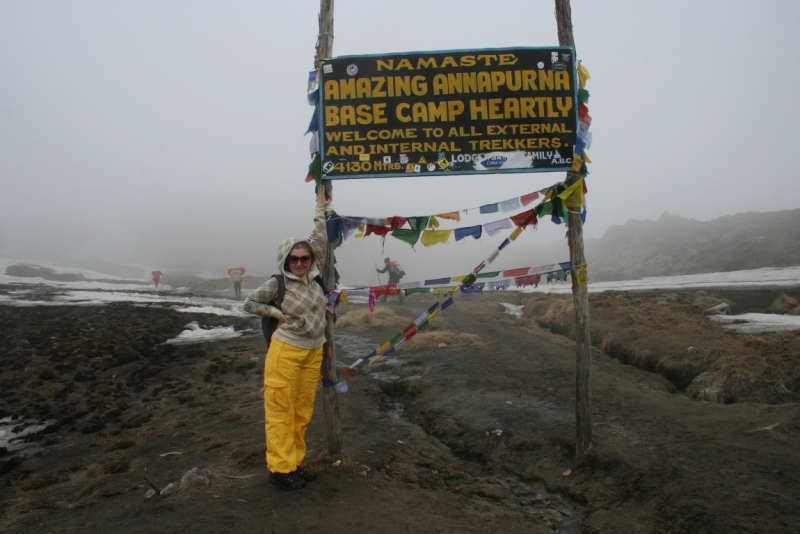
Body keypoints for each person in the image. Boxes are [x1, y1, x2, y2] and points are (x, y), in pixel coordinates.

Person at [243, 187, 331, 491]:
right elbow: (249, 303)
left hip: (313, 353)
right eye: (293, 258)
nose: (300, 262)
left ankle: (294, 463)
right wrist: (274, 313)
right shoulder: (277, 283)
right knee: (281, 410)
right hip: (285, 352)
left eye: (305, 257)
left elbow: (320, 238)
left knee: (302, 410)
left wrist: (320, 208)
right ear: (285, 259)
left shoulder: (314, 278)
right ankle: (279, 471)